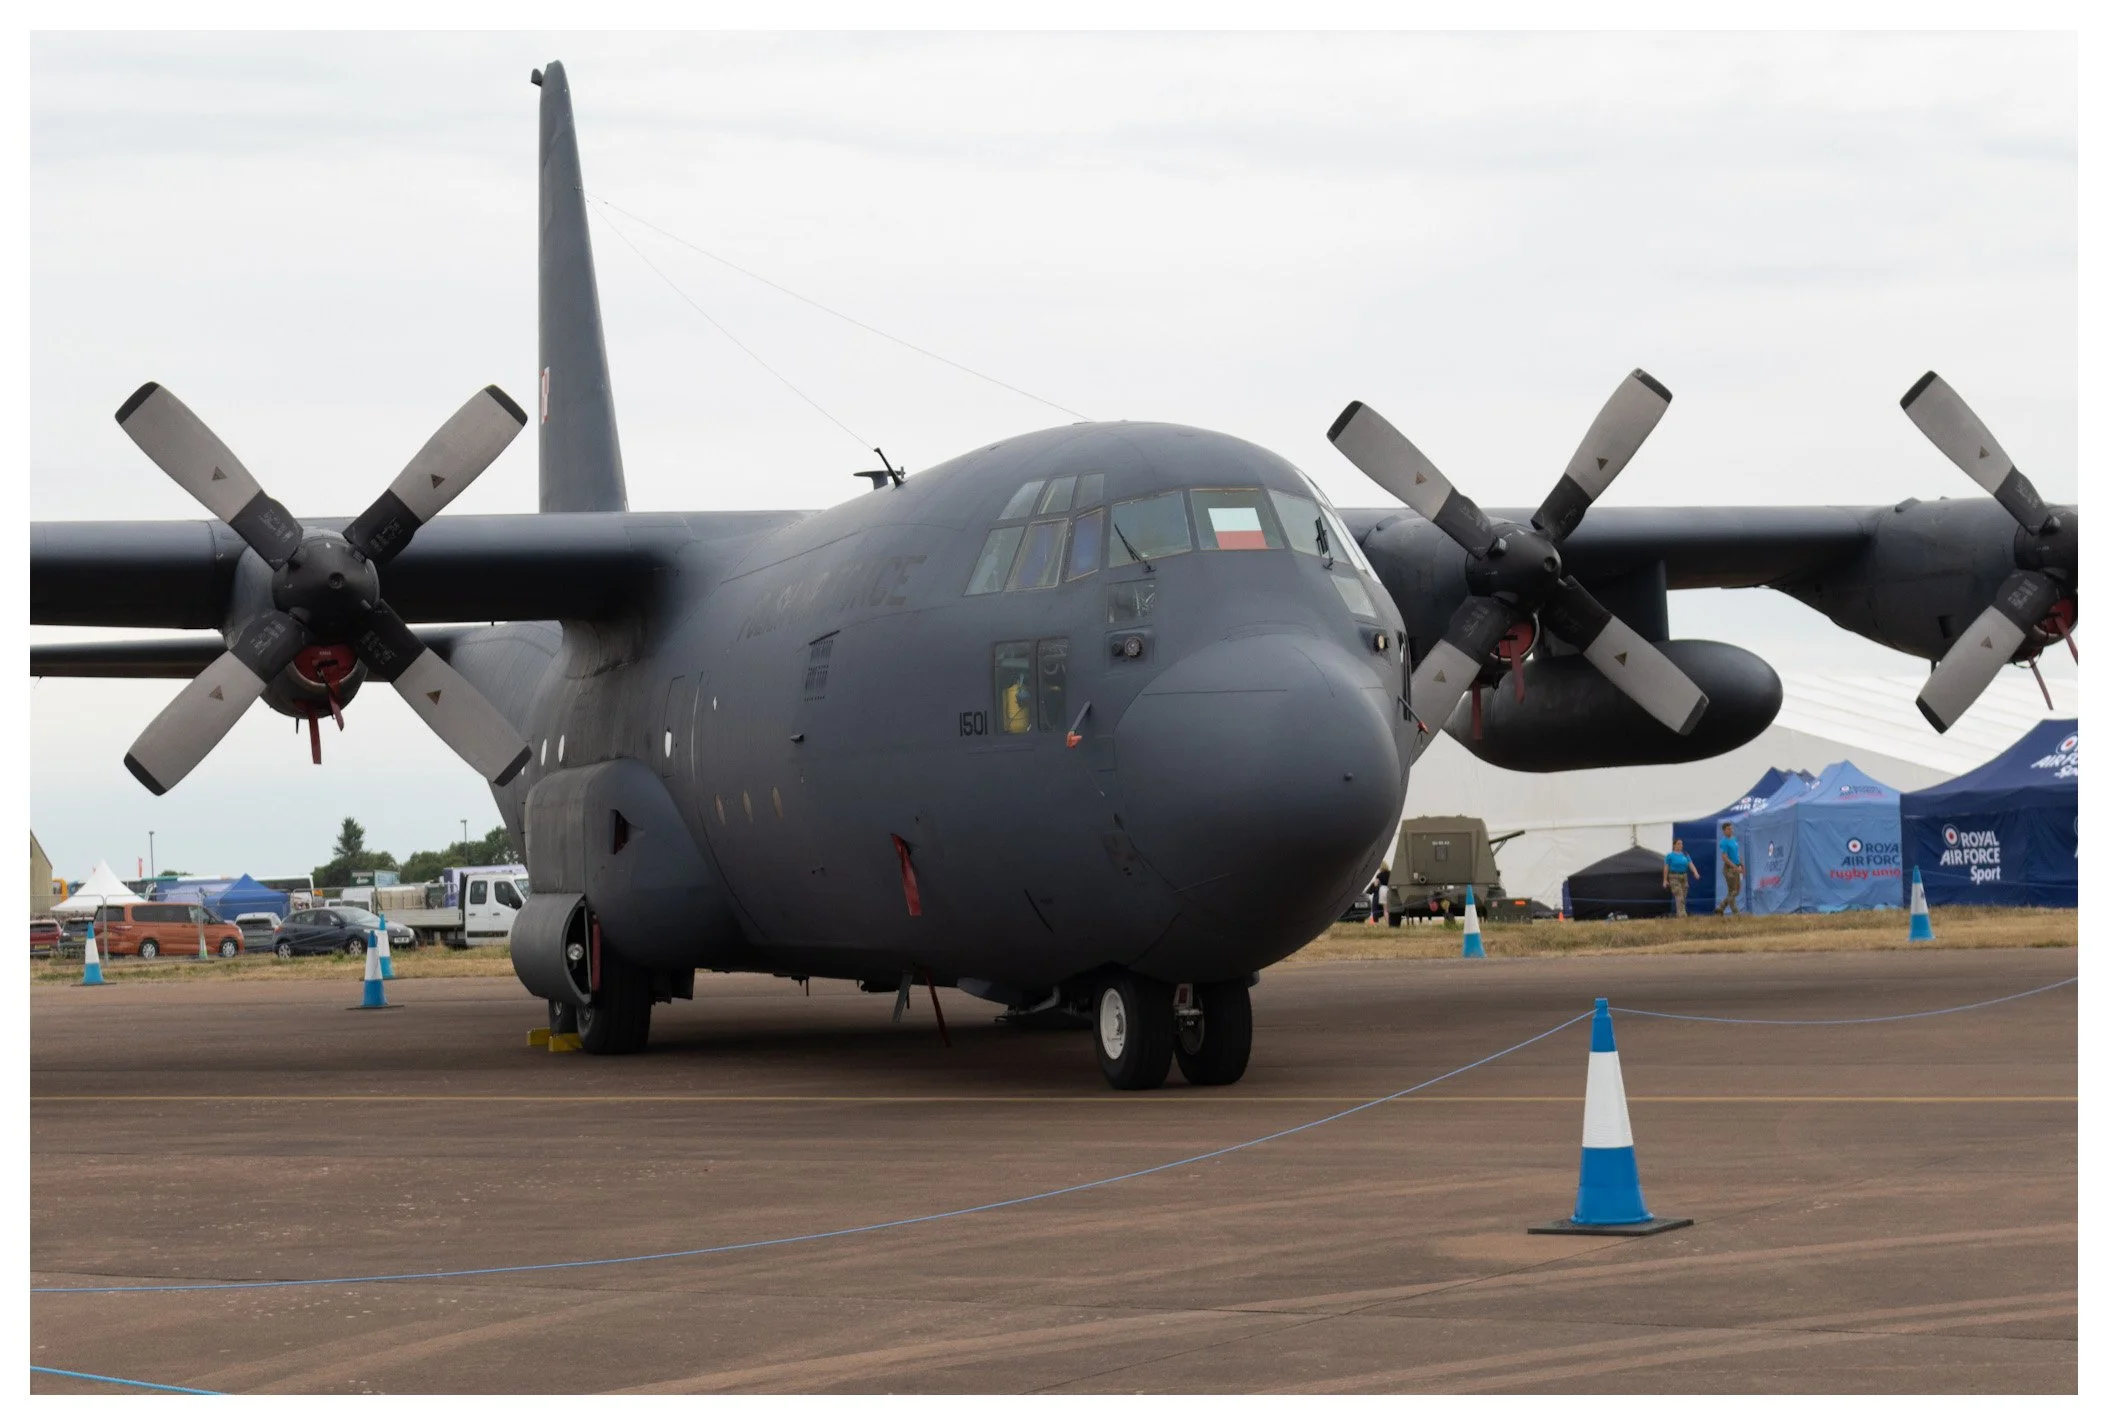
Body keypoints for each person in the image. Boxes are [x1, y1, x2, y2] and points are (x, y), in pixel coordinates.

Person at [1662, 838, 1700, 917]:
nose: (1680, 845)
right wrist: (1665, 880)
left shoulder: (1685, 854)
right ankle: (1683, 915)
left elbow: (1690, 864)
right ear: (1674, 845)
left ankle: (1679, 914)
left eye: (1681, 844)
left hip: (1684, 876)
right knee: (1679, 895)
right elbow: (1666, 868)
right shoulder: (1670, 856)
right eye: (1679, 843)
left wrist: (1695, 872)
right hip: (1674, 876)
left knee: (1683, 896)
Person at [1717, 821, 1745, 916]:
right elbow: (1724, 858)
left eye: (1731, 828)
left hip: (1737, 866)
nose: (1731, 830)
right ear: (1724, 831)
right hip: (1729, 869)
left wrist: (1741, 864)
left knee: (1737, 891)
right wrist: (1734, 867)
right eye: (1729, 829)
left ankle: (1720, 908)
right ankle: (1736, 914)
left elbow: (1736, 854)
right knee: (1733, 891)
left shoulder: (1733, 839)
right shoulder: (1723, 842)